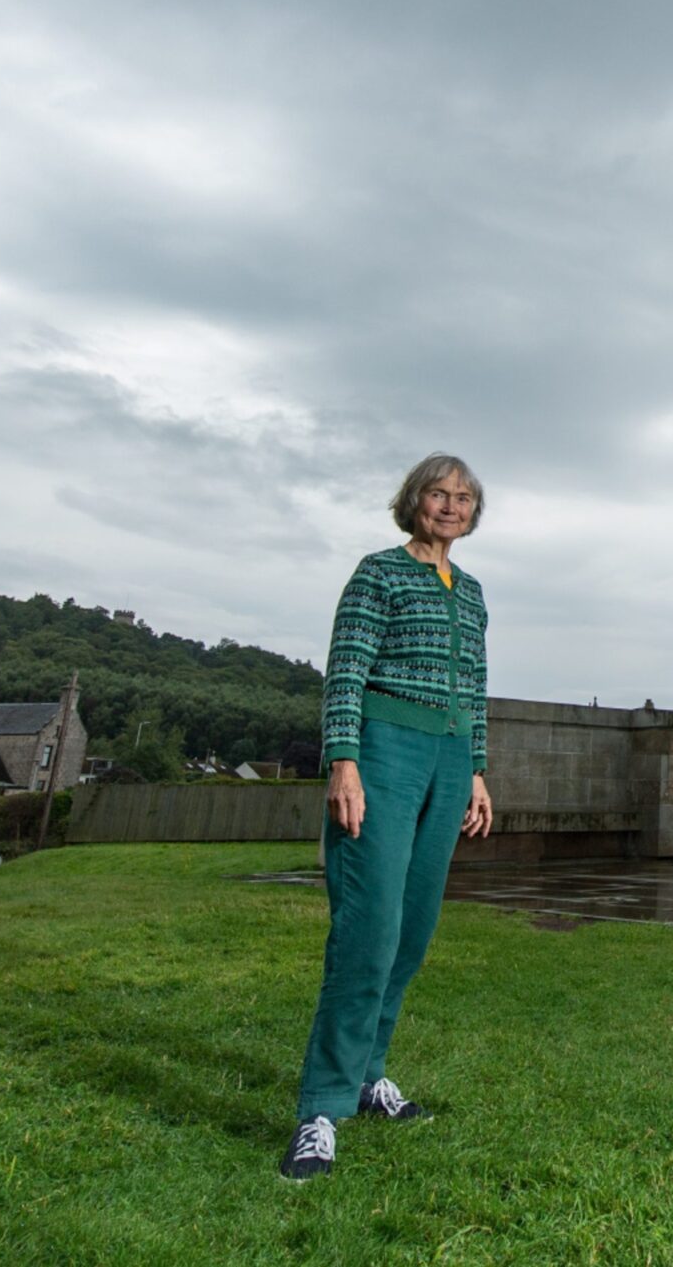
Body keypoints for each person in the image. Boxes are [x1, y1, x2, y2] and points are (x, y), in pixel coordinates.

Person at [281, 452, 495, 1182]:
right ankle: (321, 1108)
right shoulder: (377, 572)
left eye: (463, 497)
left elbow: (476, 684)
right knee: (367, 931)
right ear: (415, 500)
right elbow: (345, 668)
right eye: (439, 493)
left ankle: (371, 1074)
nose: (451, 505)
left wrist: (476, 769)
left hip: (448, 755)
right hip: (384, 751)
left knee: (410, 930)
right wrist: (344, 758)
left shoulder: (470, 592)